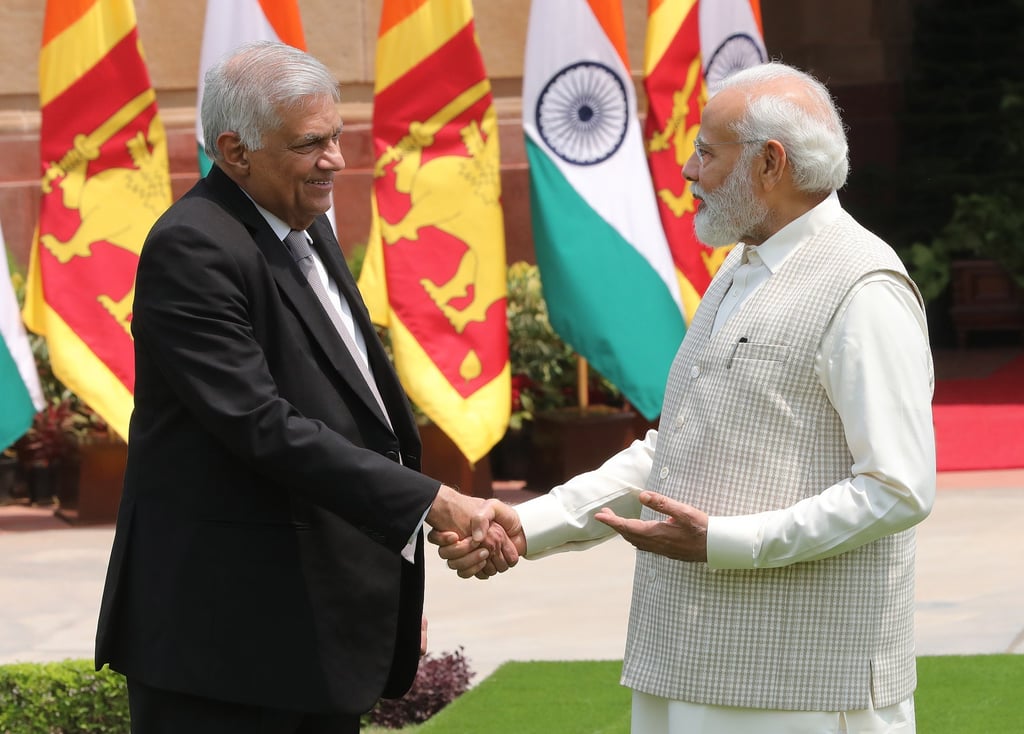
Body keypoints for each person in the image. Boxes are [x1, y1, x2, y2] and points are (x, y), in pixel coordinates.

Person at [434, 61, 936, 733]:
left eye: (707, 151)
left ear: (770, 164)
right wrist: (532, 524)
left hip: (805, 691)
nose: (689, 170)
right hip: (685, 664)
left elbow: (899, 489)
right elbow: (675, 450)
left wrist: (729, 540)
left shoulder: (863, 288)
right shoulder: (742, 264)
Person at [95, 40, 514, 734]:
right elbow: (263, 425)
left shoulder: (302, 221)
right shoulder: (194, 247)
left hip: (308, 632)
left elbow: (354, 411)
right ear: (235, 151)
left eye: (337, 137)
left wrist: (383, 580)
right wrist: (432, 503)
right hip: (224, 650)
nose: (336, 161)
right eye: (310, 144)